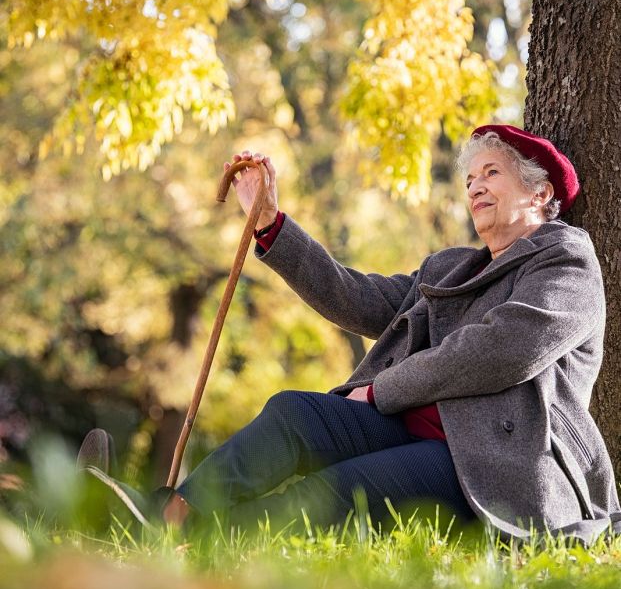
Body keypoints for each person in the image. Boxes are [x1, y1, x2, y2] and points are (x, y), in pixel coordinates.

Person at [81, 125, 621, 545]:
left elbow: (499, 351)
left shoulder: (565, 260)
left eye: (492, 173)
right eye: (470, 179)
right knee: (294, 412)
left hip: (484, 466)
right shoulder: (451, 268)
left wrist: (384, 389)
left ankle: (173, 536)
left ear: (540, 190)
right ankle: (164, 516)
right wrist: (271, 223)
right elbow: (357, 298)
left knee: (328, 495)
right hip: (407, 431)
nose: (475, 186)